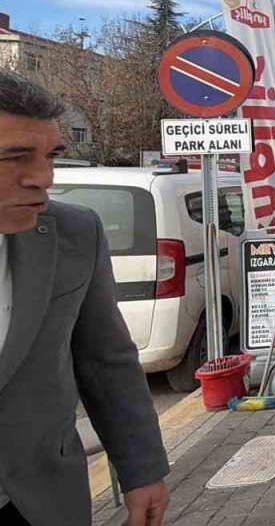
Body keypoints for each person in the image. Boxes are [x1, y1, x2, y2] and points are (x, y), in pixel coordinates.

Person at [0, 71, 170, 526]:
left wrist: (142, 471)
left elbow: (106, 362)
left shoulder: (74, 233)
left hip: (39, 503)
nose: (44, 178)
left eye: (50, 155)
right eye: (15, 157)